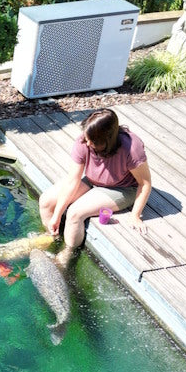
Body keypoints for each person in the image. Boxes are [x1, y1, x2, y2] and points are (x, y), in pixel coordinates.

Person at [38, 108, 152, 268]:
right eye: (87, 138)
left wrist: (136, 215)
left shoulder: (131, 148)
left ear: (108, 139)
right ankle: (52, 237)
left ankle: (66, 257)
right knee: (46, 201)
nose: (88, 144)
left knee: (75, 213)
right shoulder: (85, 140)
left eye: (94, 142)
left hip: (122, 188)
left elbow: (145, 183)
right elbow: (72, 181)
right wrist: (56, 216)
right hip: (93, 180)